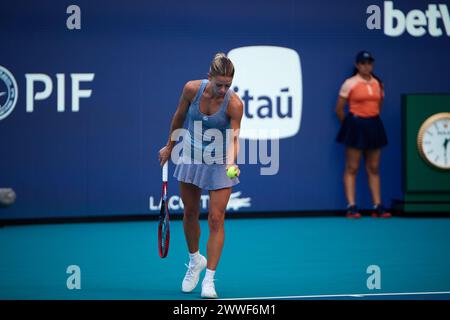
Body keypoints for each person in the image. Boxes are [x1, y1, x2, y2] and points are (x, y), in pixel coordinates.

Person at [158, 52, 243, 298]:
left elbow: (234, 138)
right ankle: (195, 261)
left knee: (216, 219)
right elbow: (178, 117)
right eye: (219, 84)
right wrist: (169, 146)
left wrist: (232, 161)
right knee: (190, 212)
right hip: (191, 156)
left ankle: (209, 280)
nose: (223, 89)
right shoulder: (191, 90)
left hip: (219, 163)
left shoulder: (235, 103)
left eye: (228, 85)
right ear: (209, 78)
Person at [335, 51, 391, 219]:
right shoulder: (349, 83)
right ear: (357, 65)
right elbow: (339, 109)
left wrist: (370, 118)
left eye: (369, 63)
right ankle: (351, 206)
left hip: (373, 125)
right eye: (363, 63)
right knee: (352, 167)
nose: (367, 66)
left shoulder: (378, 83)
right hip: (355, 125)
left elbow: (379, 106)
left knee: (373, 167)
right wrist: (351, 124)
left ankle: (377, 205)